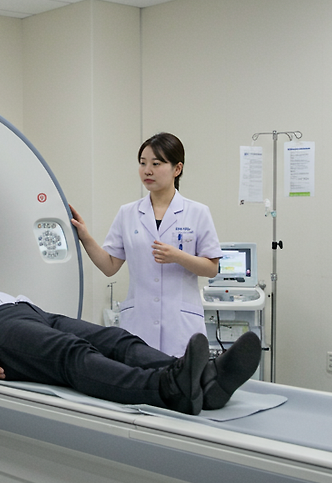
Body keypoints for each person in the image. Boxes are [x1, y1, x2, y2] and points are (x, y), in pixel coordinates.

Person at [0, 266, 260, 415]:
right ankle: (168, 388)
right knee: (71, 355)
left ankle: (206, 381)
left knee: (115, 338)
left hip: (30, 313)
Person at [71, 133, 224, 356]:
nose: (147, 171)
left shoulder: (197, 212)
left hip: (180, 325)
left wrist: (178, 256)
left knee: (179, 375)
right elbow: (109, 266)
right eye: (143, 163)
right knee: (140, 373)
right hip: (139, 322)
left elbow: (212, 268)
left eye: (156, 163)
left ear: (177, 169)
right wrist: (85, 236)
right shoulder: (128, 213)